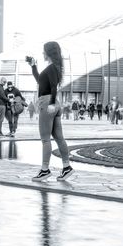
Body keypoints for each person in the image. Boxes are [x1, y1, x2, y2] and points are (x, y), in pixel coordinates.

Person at [26, 41, 74, 181]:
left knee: (45, 139)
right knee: (59, 138)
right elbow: (40, 81)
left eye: (43, 51)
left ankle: (45, 170)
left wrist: (51, 104)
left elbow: (53, 87)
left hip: (48, 102)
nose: (42, 53)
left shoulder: (52, 67)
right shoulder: (55, 67)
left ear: (49, 52)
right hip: (53, 103)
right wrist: (33, 65)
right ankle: (66, 167)